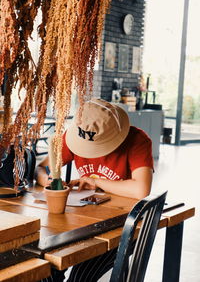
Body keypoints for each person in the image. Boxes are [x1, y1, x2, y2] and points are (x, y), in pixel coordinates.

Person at [35, 97, 154, 281]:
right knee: (44, 269)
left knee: (80, 278)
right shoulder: (76, 135)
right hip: (81, 225)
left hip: (120, 228)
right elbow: (41, 168)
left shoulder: (137, 140)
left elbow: (141, 189)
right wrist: (49, 180)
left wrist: (95, 181)